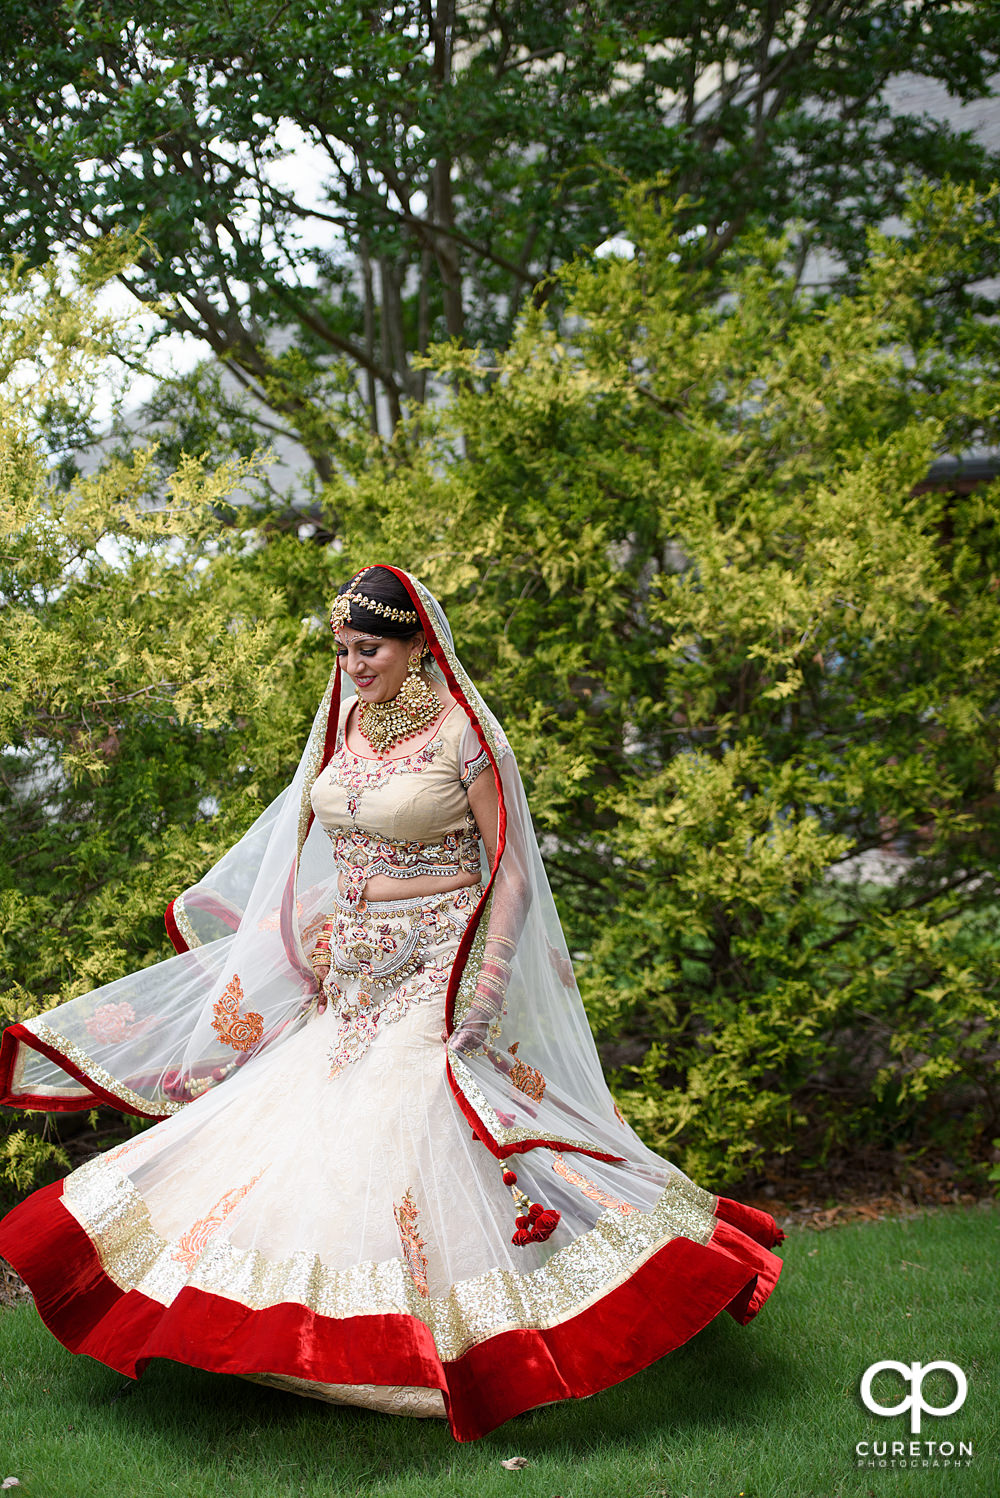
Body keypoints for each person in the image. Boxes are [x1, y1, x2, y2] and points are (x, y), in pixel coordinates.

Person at [0, 565, 782, 1442]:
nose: (353, 666)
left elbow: (512, 870)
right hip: (353, 975)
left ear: (418, 648)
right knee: (294, 1135)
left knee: (407, 1136)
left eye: (368, 649)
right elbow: (326, 846)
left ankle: (441, 1353)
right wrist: (316, 941)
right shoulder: (348, 724)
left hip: (437, 966)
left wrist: (483, 985)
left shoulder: (465, 738)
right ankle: (295, 1346)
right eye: (342, 650)